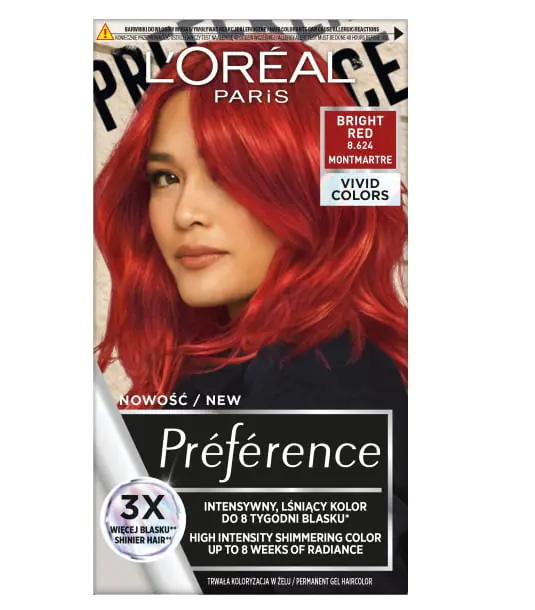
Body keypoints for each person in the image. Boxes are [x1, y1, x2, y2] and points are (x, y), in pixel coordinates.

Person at [95, 41, 407, 590]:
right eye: (166, 177)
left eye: (225, 175)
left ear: (308, 186)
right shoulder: (258, 367)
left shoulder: (313, 383)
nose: (185, 213)